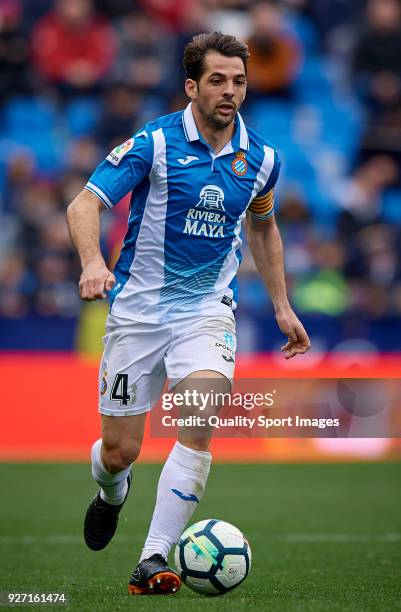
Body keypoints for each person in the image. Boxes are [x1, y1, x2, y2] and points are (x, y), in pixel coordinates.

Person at [66, 31, 311, 596]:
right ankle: (111, 489)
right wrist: (91, 263)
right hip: (137, 313)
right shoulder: (153, 144)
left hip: (206, 309)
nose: (230, 92)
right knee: (119, 450)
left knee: (199, 421)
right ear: (191, 86)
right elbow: (85, 203)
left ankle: (152, 559)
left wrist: (281, 304)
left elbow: (264, 225)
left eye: (239, 81)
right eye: (218, 80)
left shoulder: (262, 159)